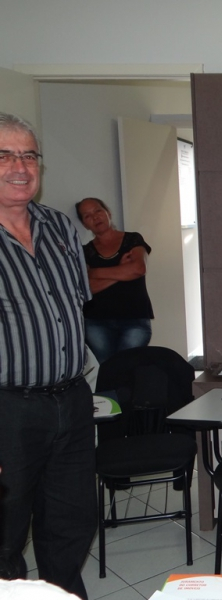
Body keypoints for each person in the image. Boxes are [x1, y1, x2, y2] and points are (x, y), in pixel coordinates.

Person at [0, 113, 96, 599]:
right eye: (4, 155)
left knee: (70, 523)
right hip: (8, 411)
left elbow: (73, 308)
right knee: (5, 532)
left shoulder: (59, 227)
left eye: (29, 155)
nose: (20, 167)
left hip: (71, 401)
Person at [75, 197, 154, 363]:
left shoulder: (132, 240)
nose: (95, 217)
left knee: (127, 366)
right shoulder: (84, 251)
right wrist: (122, 270)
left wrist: (95, 272)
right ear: (84, 224)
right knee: (108, 369)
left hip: (135, 318)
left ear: (108, 212)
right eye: (87, 216)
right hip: (96, 321)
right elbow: (86, 289)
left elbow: (139, 269)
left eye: (98, 210)